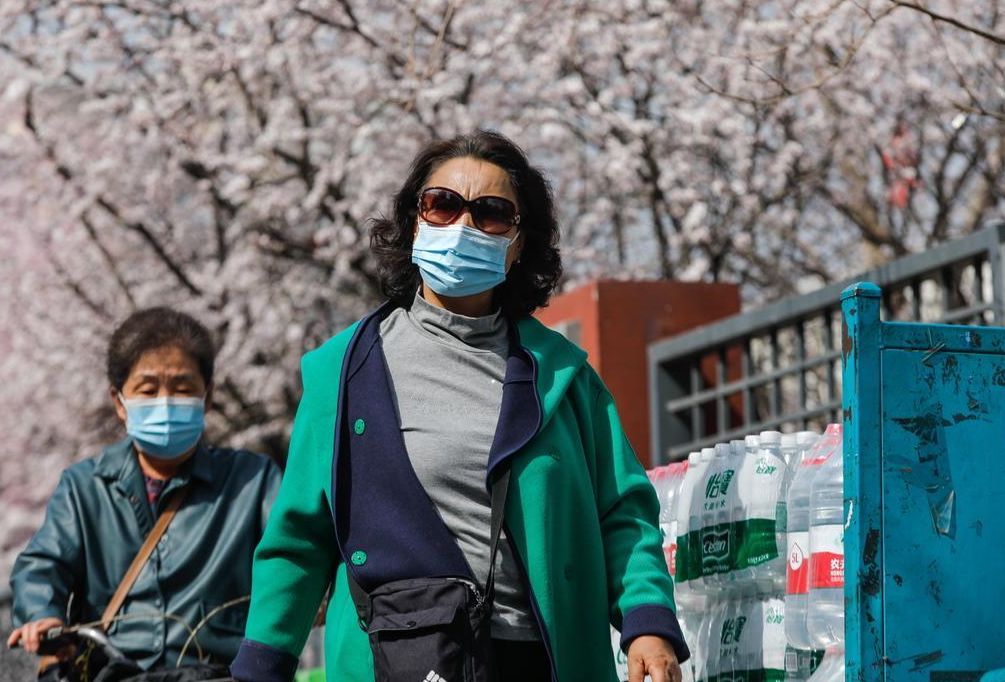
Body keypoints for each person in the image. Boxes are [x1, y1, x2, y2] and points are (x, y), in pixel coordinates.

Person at [230, 131, 688, 682]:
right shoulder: (344, 373)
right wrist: (262, 662)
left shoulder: (564, 375)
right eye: (442, 204)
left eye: (492, 213)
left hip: (542, 660)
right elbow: (299, 539)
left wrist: (649, 622)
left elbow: (624, 512)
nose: (463, 226)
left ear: (519, 243)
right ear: (415, 219)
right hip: (401, 659)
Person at [8, 307, 281, 672]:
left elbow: (294, 549)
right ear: (119, 401)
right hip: (111, 671)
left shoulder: (253, 480)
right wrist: (42, 613)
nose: (165, 402)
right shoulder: (84, 488)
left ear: (208, 396)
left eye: (183, 388)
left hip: (217, 673)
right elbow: (44, 563)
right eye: (148, 390)